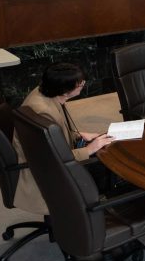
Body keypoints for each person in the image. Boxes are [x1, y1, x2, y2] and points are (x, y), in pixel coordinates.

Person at [11, 63, 114, 215]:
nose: (83, 85)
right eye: (80, 84)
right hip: (45, 171)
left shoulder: (44, 92)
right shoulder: (44, 112)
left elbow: (55, 134)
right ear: (65, 91)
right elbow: (55, 157)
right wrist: (89, 149)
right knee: (109, 163)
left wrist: (78, 135)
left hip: (41, 156)